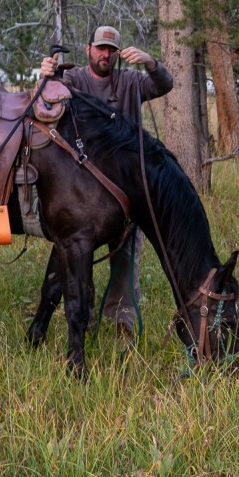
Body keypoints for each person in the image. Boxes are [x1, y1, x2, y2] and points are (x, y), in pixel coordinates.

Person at [39, 25, 173, 340]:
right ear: (89, 49)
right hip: (83, 188)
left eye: (111, 50)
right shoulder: (75, 80)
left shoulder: (130, 81)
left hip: (125, 187)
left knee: (125, 257)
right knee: (79, 254)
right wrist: (45, 74)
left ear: (117, 53)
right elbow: (47, 99)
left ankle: (121, 323)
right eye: (100, 48)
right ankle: (83, 316)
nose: (105, 55)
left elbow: (165, 85)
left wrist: (150, 61)